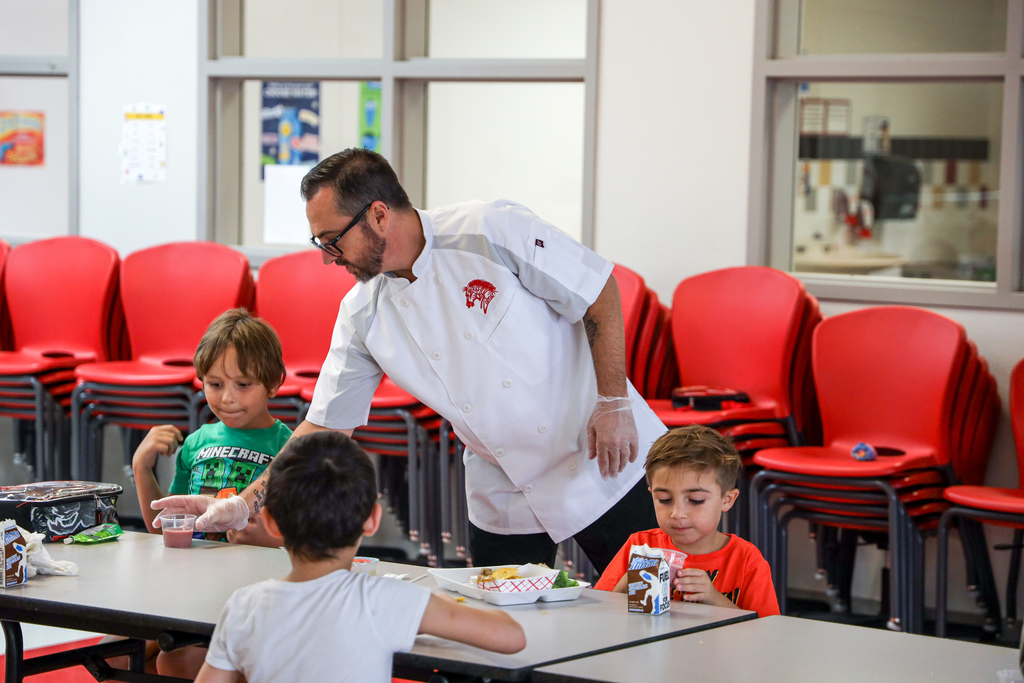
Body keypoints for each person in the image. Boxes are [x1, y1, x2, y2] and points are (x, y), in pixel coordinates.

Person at [154, 147, 666, 573]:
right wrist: (243, 503)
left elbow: (598, 290)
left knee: (652, 606)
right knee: (503, 642)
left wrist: (614, 401)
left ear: (378, 214)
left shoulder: (488, 229)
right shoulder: (362, 313)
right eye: (319, 242)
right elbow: (324, 427)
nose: (327, 257)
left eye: (332, 240)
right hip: (502, 484)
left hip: (601, 454)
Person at [194, 431, 526, 683]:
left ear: (270, 522)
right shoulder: (388, 600)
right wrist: (420, 611)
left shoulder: (243, 606)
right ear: (372, 519)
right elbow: (512, 637)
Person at [129, 308, 293, 677]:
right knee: (116, 655)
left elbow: (303, 542)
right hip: (190, 589)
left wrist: (266, 539)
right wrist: (142, 466)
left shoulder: (289, 447)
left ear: (275, 382)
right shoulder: (197, 442)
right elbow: (163, 528)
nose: (227, 398)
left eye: (243, 384)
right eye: (215, 384)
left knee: (175, 661)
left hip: (251, 598)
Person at [594, 425, 781, 618]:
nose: (677, 513)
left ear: (727, 500)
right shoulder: (640, 546)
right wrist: (626, 584)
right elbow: (602, 617)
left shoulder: (746, 560)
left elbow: (764, 632)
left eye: (696, 500)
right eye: (664, 500)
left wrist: (714, 599)